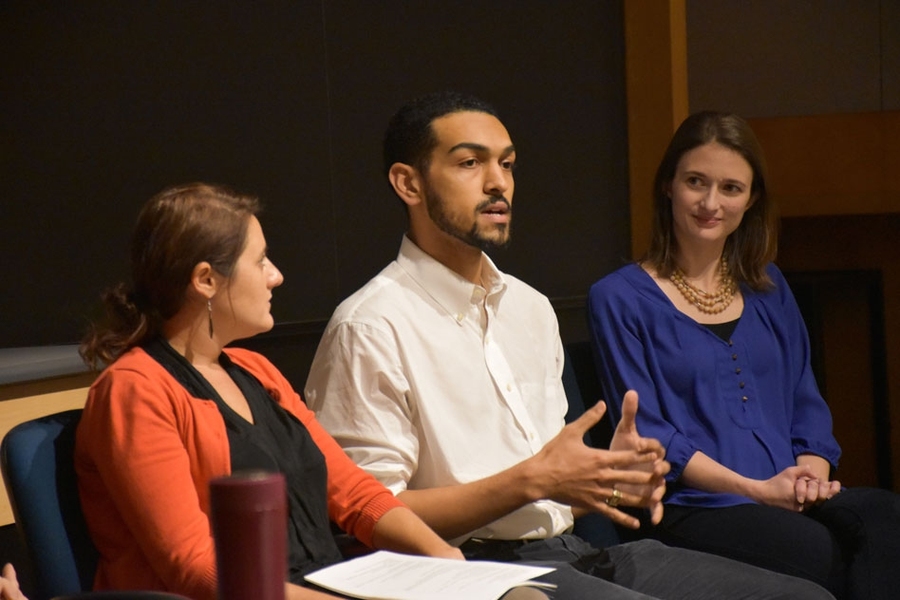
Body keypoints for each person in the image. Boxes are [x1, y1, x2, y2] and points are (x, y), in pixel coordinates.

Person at [304, 91, 834, 600]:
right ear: (409, 183)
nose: (498, 183)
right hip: (469, 571)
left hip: (568, 550)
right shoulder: (370, 326)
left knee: (800, 595)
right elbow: (369, 515)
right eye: (469, 163)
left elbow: (553, 491)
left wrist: (609, 481)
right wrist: (531, 481)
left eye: (507, 164)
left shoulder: (530, 308)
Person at [74, 183, 487, 600]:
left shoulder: (257, 371)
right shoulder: (134, 390)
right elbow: (196, 568)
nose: (276, 276)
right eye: (260, 261)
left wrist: (443, 557)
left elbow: (356, 495)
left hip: (327, 583)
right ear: (206, 280)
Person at [586, 110, 900, 600]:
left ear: (751, 199)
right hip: (695, 505)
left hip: (789, 494)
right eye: (696, 182)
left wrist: (809, 479)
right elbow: (651, 433)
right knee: (823, 555)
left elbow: (805, 400)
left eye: (730, 188)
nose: (711, 203)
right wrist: (757, 490)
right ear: (668, 185)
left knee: (886, 518)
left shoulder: (769, 285)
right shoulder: (617, 298)